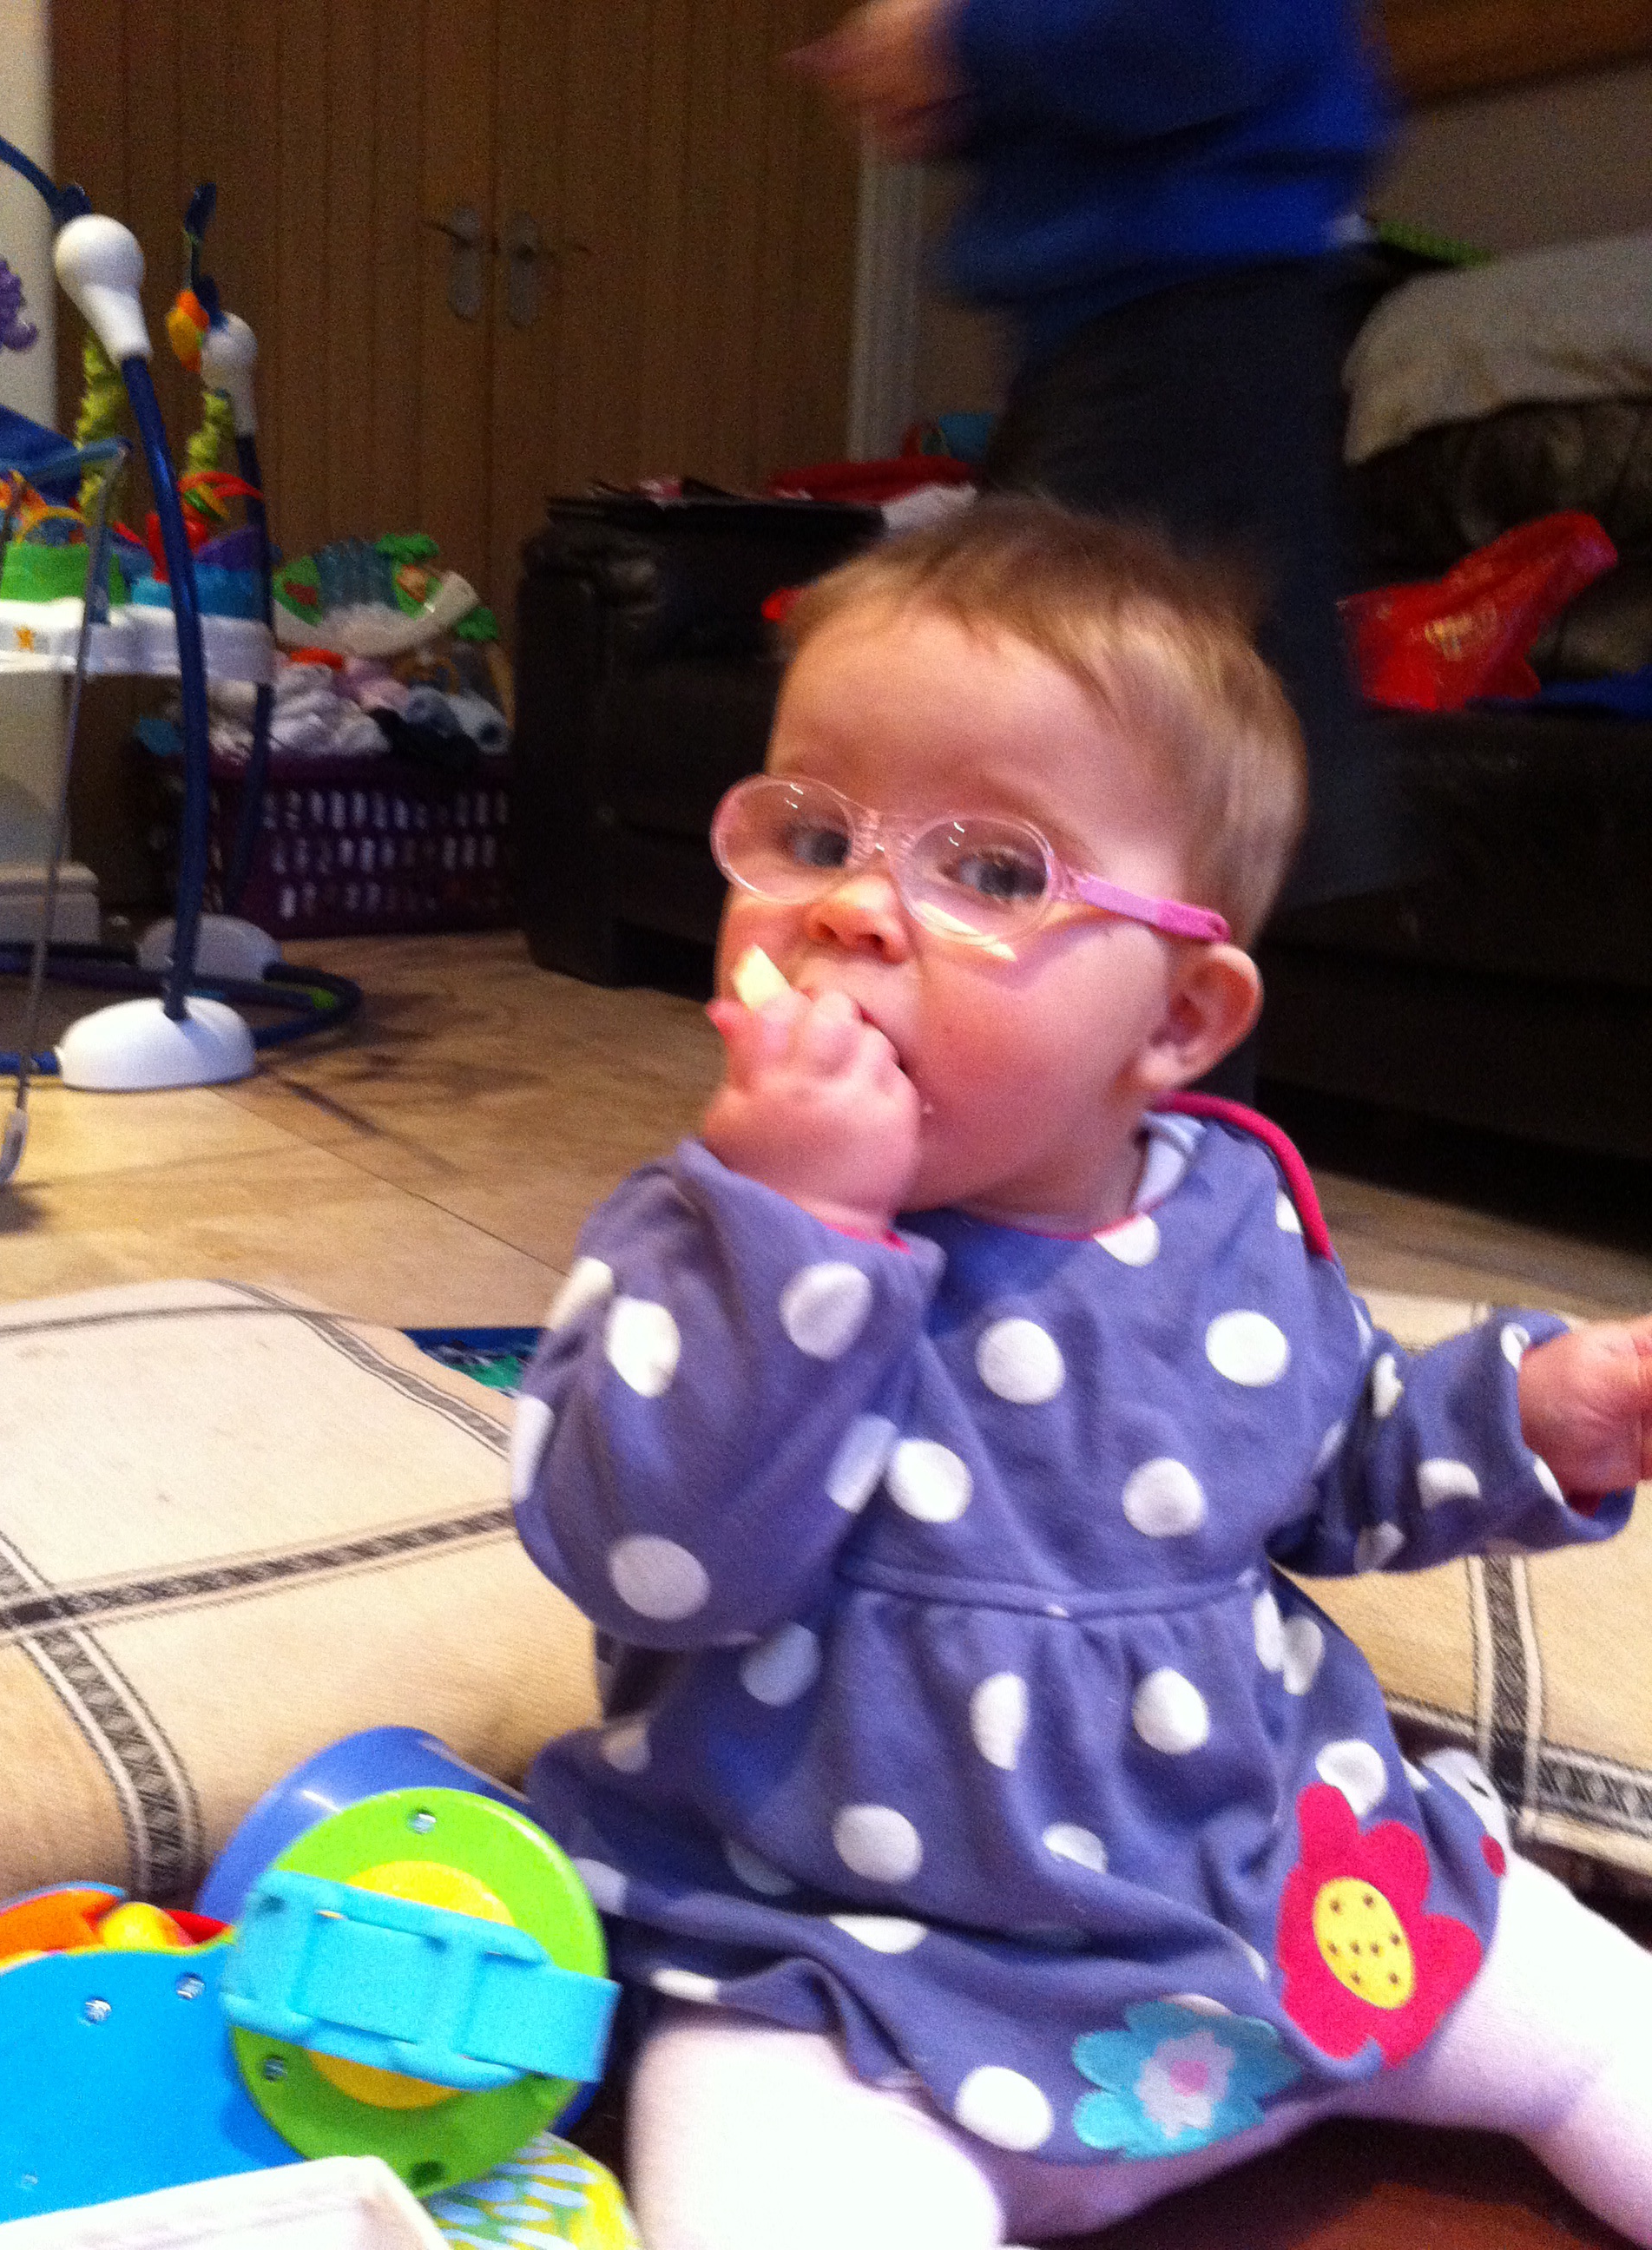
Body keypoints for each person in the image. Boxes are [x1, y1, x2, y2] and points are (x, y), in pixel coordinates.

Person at [512, 499, 1652, 2250]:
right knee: (762, 2189)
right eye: (809, 832)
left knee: (1586, 2014)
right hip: (840, 1965)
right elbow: (652, 1558)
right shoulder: (706, 1238)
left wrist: (1529, 1416)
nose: (850, 911)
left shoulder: (1231, 1222)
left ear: (1177, 1020)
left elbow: (1334, 1457)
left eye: (988, 870)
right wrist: (802, 1230)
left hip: (1273, 1896)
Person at [800, 0, 1400, 1096]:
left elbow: (1212, 29)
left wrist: (956, 40)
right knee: (1078, 796)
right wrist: (962, 88)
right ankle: (1046, 1160)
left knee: (1113, 810)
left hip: (1181, 329)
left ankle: (1125, 1185)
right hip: (1135, 328)